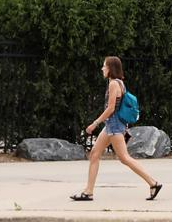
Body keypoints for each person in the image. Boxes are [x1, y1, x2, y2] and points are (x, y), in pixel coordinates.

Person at [70, 56, 163, 202]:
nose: (102, 68)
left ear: (110, 68)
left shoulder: (114, 84)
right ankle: (88, 192)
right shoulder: (119, 83)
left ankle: (153, 183)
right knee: (94, 154)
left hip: (113, 125)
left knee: (124, 158)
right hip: (111, 125)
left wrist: (94, 123)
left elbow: (111, 108)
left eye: (104, 66)